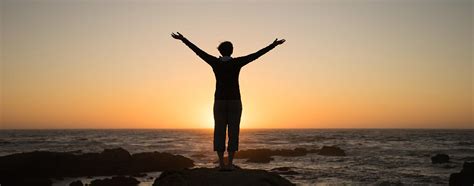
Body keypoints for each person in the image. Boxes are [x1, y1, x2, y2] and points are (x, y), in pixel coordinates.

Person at [171, 32, 285, 170]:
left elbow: (198, 51)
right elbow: (256, 55)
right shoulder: (236, 62)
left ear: (220, 51)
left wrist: (183, 39)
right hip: (235, 101)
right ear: (232, 51)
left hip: (219, 101)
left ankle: (221, 164)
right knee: (233, 132)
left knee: (219, 131)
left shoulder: (215, 62)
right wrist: (273, 45)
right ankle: (230, 164)